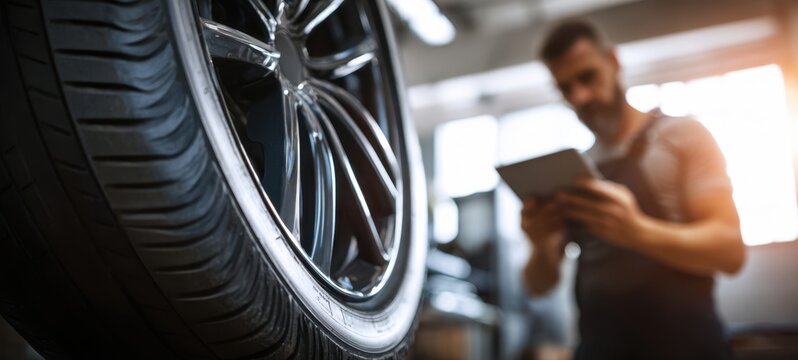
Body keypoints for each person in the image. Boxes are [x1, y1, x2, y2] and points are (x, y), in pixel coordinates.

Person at [520, 20, 746, 359]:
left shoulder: (682, 137)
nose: (579, 96)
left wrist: (637, 231)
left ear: (612, 61)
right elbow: (539, 285)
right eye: (566, 88)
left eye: (587, 77)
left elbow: (729, 251)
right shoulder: (575, 171)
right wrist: (539, 244)